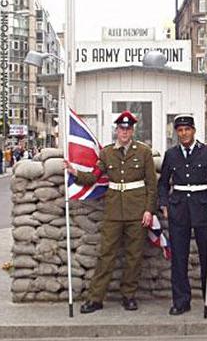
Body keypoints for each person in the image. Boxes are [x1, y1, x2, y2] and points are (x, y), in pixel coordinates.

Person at [64, 110, 157, 314]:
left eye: (128, 128)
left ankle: (129, 296)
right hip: (113, 212)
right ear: (117, 130)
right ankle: (96, 298)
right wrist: (75, 173)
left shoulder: (143, 152)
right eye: (121, 128)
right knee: (106, 255)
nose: (124, 132)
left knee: (134, 256)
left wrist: (149, 210)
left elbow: (152, 185)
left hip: (137, 211)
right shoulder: (106, 153)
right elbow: (94, 177)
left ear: (133, 131)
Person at [158, 115, 207, 316]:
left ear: (194, 131)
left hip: (203, 207)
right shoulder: (171, 155)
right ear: (176, 132)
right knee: (179, 257)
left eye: (187, 129)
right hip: (179, 209)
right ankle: (181, 301)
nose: (184, 133)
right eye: (180, 130)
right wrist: (164, 203)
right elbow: (163, 183)